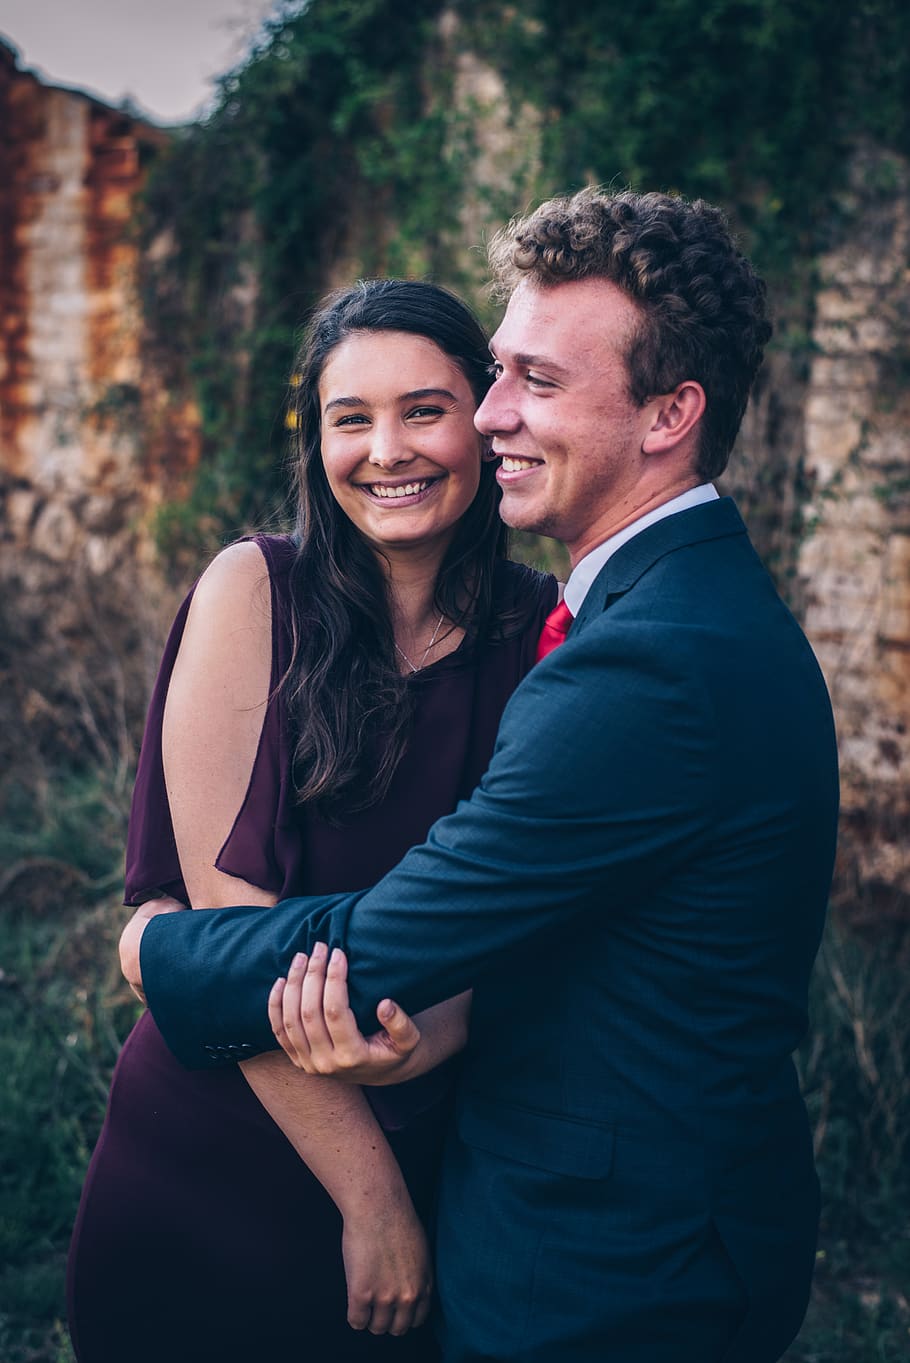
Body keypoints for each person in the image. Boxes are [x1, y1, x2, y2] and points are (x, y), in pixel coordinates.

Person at [123, 189, 840, 1363]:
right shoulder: (664, 609)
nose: (491, 413)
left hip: (609, 1268)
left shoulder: (647, 659)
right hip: (580, 1229)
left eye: (538, 383)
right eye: (498, 372)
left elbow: (389, 941)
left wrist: (154, 950)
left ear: (670, 412)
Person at [66, 278, 557, 1363]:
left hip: (426, 1124)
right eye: (351, 418)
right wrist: (375, 1207)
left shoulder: (537, 631)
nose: (389, 449)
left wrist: (434, 1038)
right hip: (210, 1148)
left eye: (424, 409)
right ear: (316, 441)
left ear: (481, 420)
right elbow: (230, 938)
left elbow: (515, 914)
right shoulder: (255, 590)